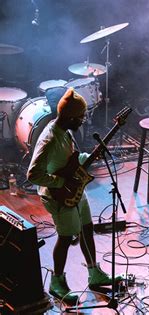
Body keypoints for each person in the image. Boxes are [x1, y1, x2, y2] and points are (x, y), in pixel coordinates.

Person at [27, 88, 120, 305]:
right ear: (69, 116)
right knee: (66, 236)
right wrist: (60, 182)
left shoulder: (65, 131)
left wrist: (91, 156)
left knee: (87, 227)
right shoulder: (49, 139)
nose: (83, 121)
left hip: (74, 188)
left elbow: (69, 161)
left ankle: (94, 272)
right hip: (59, 196)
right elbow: (33, 174)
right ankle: (56, 282)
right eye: (80, 117)